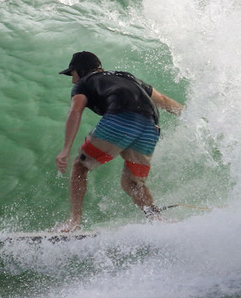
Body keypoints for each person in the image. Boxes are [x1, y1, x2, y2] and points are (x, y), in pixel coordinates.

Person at [55, 51, 184, 231]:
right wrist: (192, 116)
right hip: (150, 128)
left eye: (73, 74)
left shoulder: (85, 83)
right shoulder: (127, 77)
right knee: (132, 183)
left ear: (81, 70)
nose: (73, 81)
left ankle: (74, 221)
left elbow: (75, 111)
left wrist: (65, 149)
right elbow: (162, 100)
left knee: (79, 166)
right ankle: (157, 219)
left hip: (121, 121)